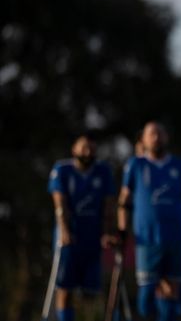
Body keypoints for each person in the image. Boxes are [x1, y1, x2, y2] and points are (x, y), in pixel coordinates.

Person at [117, 121, 181, 321]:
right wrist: (121, 229)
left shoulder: (179, 165)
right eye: (151, 134)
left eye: (160, 133)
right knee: (146, 300)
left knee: (174, 293)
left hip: (176, 237)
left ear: (166, 137)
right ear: (143, 140)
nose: (156, 137)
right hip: (147, 239)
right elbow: (124, 201)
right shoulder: (135, 165)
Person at [48, 133, 117, 321]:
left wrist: (107, 232)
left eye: (92, 149)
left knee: (91, 291)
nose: (88, 152)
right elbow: (59, 204)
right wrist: (64, 230)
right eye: (84, 147)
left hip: (92, 239)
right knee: (65, 288)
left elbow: (109, 205)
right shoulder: (62, 170)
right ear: (74, 149)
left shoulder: (103, 171)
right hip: (69, 239)